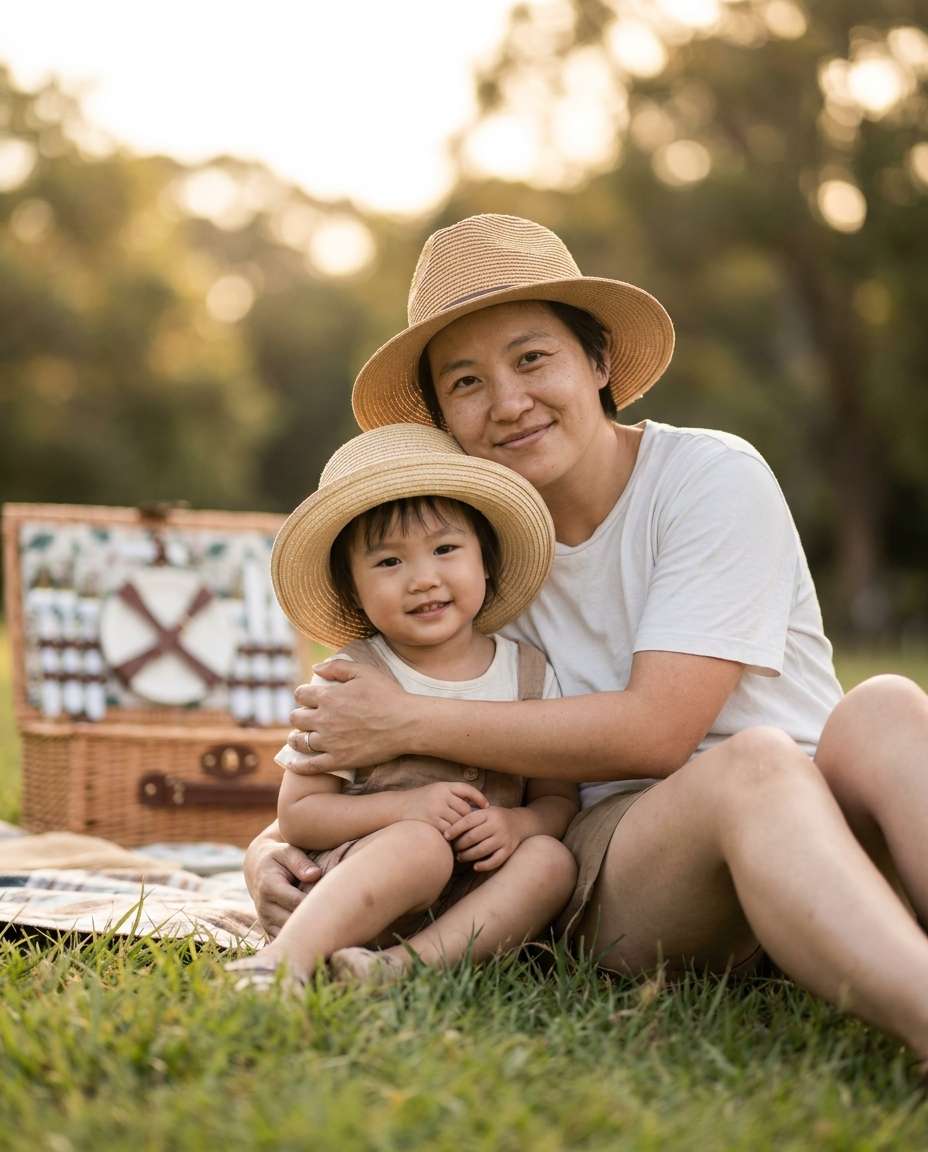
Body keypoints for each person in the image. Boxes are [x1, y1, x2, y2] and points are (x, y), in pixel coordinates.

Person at [246, 214, 928, 1063]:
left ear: (598, 361)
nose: (508, 403)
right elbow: (362, 767)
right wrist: (268, 852)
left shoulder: (709, 477)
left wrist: (404, 722)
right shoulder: (471, 562)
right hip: (637, 868)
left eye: (533, 359)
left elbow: (657, 725)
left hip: (825, 844)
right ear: (444, 416)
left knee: (888, 704)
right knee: (755, 764)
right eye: (466, 382)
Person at [229, 421, 576, 989]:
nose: (422, 579)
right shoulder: (349, 680)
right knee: (420, 845)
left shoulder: (529, 673)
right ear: (353, 589)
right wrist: (405, 809)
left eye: (445, 549)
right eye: (389, 562)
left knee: (551, 861)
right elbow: (300, 815)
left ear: (485, 561)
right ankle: (283, 961)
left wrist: (521, 822)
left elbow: (558, 797)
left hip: (469, 903)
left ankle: (396, 970)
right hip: (357, 886)